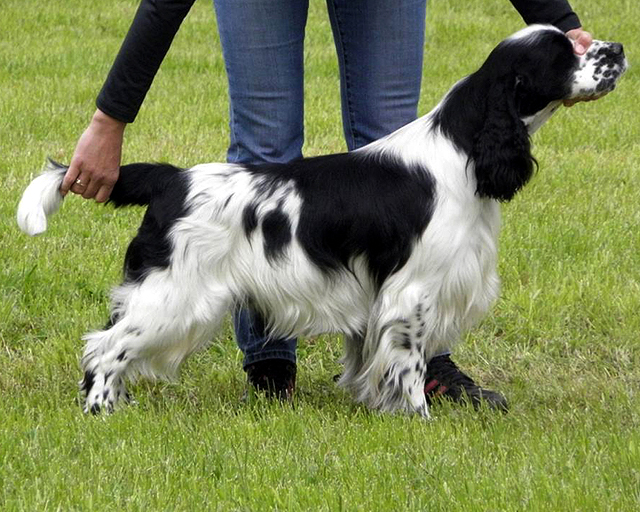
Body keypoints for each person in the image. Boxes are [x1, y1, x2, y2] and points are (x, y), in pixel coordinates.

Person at [60, 0, 592, 409]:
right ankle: (263, 363)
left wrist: (559, 21)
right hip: (223, 212)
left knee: (387, 141)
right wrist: (110, 117)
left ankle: (404, 372)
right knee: (264, 149)